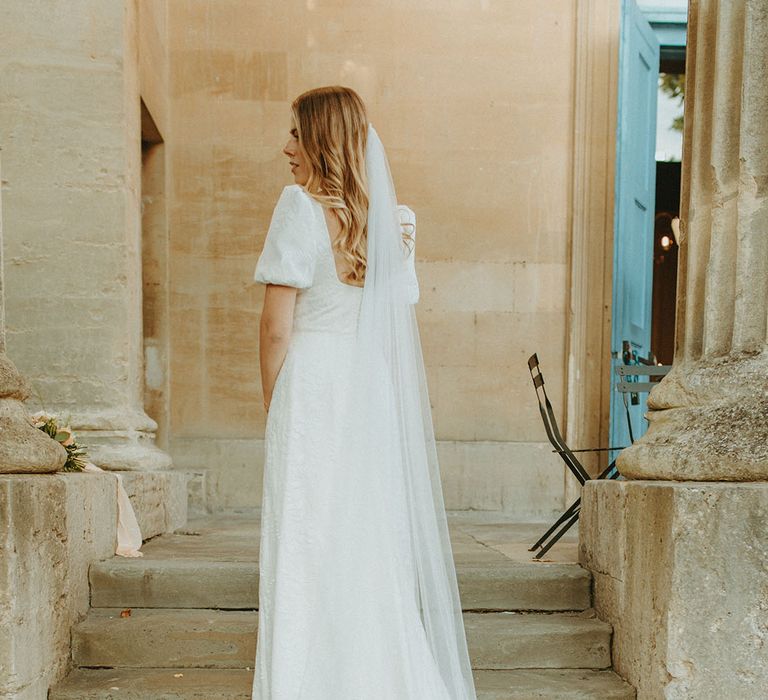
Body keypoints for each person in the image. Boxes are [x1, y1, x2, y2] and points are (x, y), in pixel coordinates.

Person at [251, 85, 476, 700]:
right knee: (372, 547)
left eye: (295, 133)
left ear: (321, 138)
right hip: (371, 393)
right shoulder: (397, 224)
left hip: (313, 388)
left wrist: (278, 412)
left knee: (307, 545)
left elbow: (276, 329)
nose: (285, 148)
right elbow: (394, 327)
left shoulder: (299, 209)